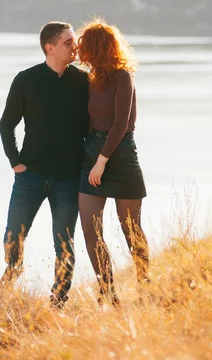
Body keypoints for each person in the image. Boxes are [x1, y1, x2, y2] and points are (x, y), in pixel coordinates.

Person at [0, 21, 89, 308]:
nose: (75, 47)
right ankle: (13, 271)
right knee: (13, 235)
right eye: (68, 42)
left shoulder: (83, 81)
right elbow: (6, 125)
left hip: (68, 177)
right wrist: (16, 163)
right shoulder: (26, 80)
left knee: (65, 244)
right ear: (50, 47)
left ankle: (58, 301)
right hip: (31, 175)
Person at [76, 18, 149, 305]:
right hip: (91, 153)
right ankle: (108, 292)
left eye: (84, 46)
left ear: (97, 48)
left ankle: (145, 285)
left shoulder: (123, 76)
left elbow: (120, 125)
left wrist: (102, 162)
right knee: (90, 229)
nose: (79, 51)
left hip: (120, 155)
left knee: (131, 229)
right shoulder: (89, 80)